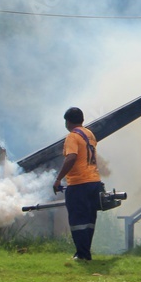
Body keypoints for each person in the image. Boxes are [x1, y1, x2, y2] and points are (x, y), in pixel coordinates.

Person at [53, 106, 102, 261]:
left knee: (78, 220)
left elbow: (71, 157)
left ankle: (82, 254)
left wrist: (58, 178)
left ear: (68, 122)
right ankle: (85, 253)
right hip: (94, 181)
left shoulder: (72, 137)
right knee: (89, 220)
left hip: (79, 183)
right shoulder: (90, 134)